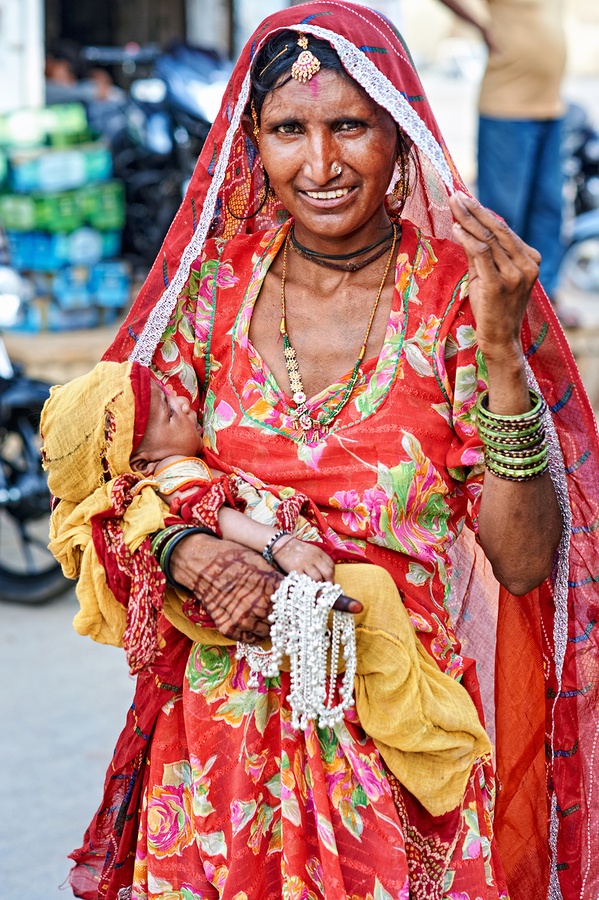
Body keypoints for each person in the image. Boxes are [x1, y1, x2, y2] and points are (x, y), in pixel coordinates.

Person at [46, 4, 599, 900]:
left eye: (350, 125)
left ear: (401, 134)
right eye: (288, 130)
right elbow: (106, 482)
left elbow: (525, 561)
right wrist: (199, 551)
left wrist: (503, 360)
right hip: (218, 756)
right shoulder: (213, 292)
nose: (322, 163)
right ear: (251, 142)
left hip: (399, 742)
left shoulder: (458, 299)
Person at [42, 357, 491, 818]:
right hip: (268, 593)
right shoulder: (177, 475)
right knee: (373, 596)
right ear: (139, 461)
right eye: (170, 411)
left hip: (260, 608)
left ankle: (411, 718)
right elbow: (214, 515)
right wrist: (282, 544)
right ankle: (416, 733)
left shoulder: (152, 483)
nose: (182, 398)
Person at [436, 0, 569, 319]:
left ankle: (544, 306)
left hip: (551, 106)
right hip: (507, 108)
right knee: (504, 214)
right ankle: (498, 305)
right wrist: (482, 28)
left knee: (548, 208)